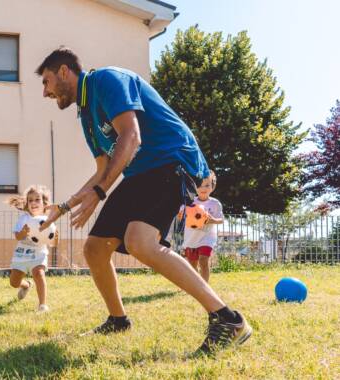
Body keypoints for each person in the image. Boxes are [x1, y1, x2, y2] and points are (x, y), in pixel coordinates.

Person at [36, 47, 251, 356]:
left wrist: (99, 194)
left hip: (171, 160)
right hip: (140, 172)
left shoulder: (107, 80)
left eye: (46, 82)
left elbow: (131, 136)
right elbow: (102, 170)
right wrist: (66, 205)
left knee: (140, 241)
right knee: (95, 248)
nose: (45, 92)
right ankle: (118, 320)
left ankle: (228, 319)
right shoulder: (85, 115)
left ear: (64, 72)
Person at [7, 185, 58, 313]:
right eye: (30, 200)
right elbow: (18, 237)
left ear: (44, 203)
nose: (34, 203)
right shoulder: (24, 219)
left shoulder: (48, 221)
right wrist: (23, 232)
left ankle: (42, 305)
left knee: (39, 274)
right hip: (21, 255)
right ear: (27, 203)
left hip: (38, 254)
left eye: (37, 199)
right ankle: (26, 285)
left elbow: (52, 244)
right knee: (13, 282)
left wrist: (56, 237)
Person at [180, 172, 223, 283]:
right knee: (192, 265)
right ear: (195, 186)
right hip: (191, 238)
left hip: (207, 238)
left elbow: (221, 219)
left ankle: (205, 287)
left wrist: (212, 220)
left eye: (207, 185)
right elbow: (181, 214)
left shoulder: (215, 203)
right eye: (200, 185)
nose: (203, 188)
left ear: (212, 187)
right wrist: (181, 215)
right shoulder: (190, 202)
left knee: (203, 260)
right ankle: (196, 284)